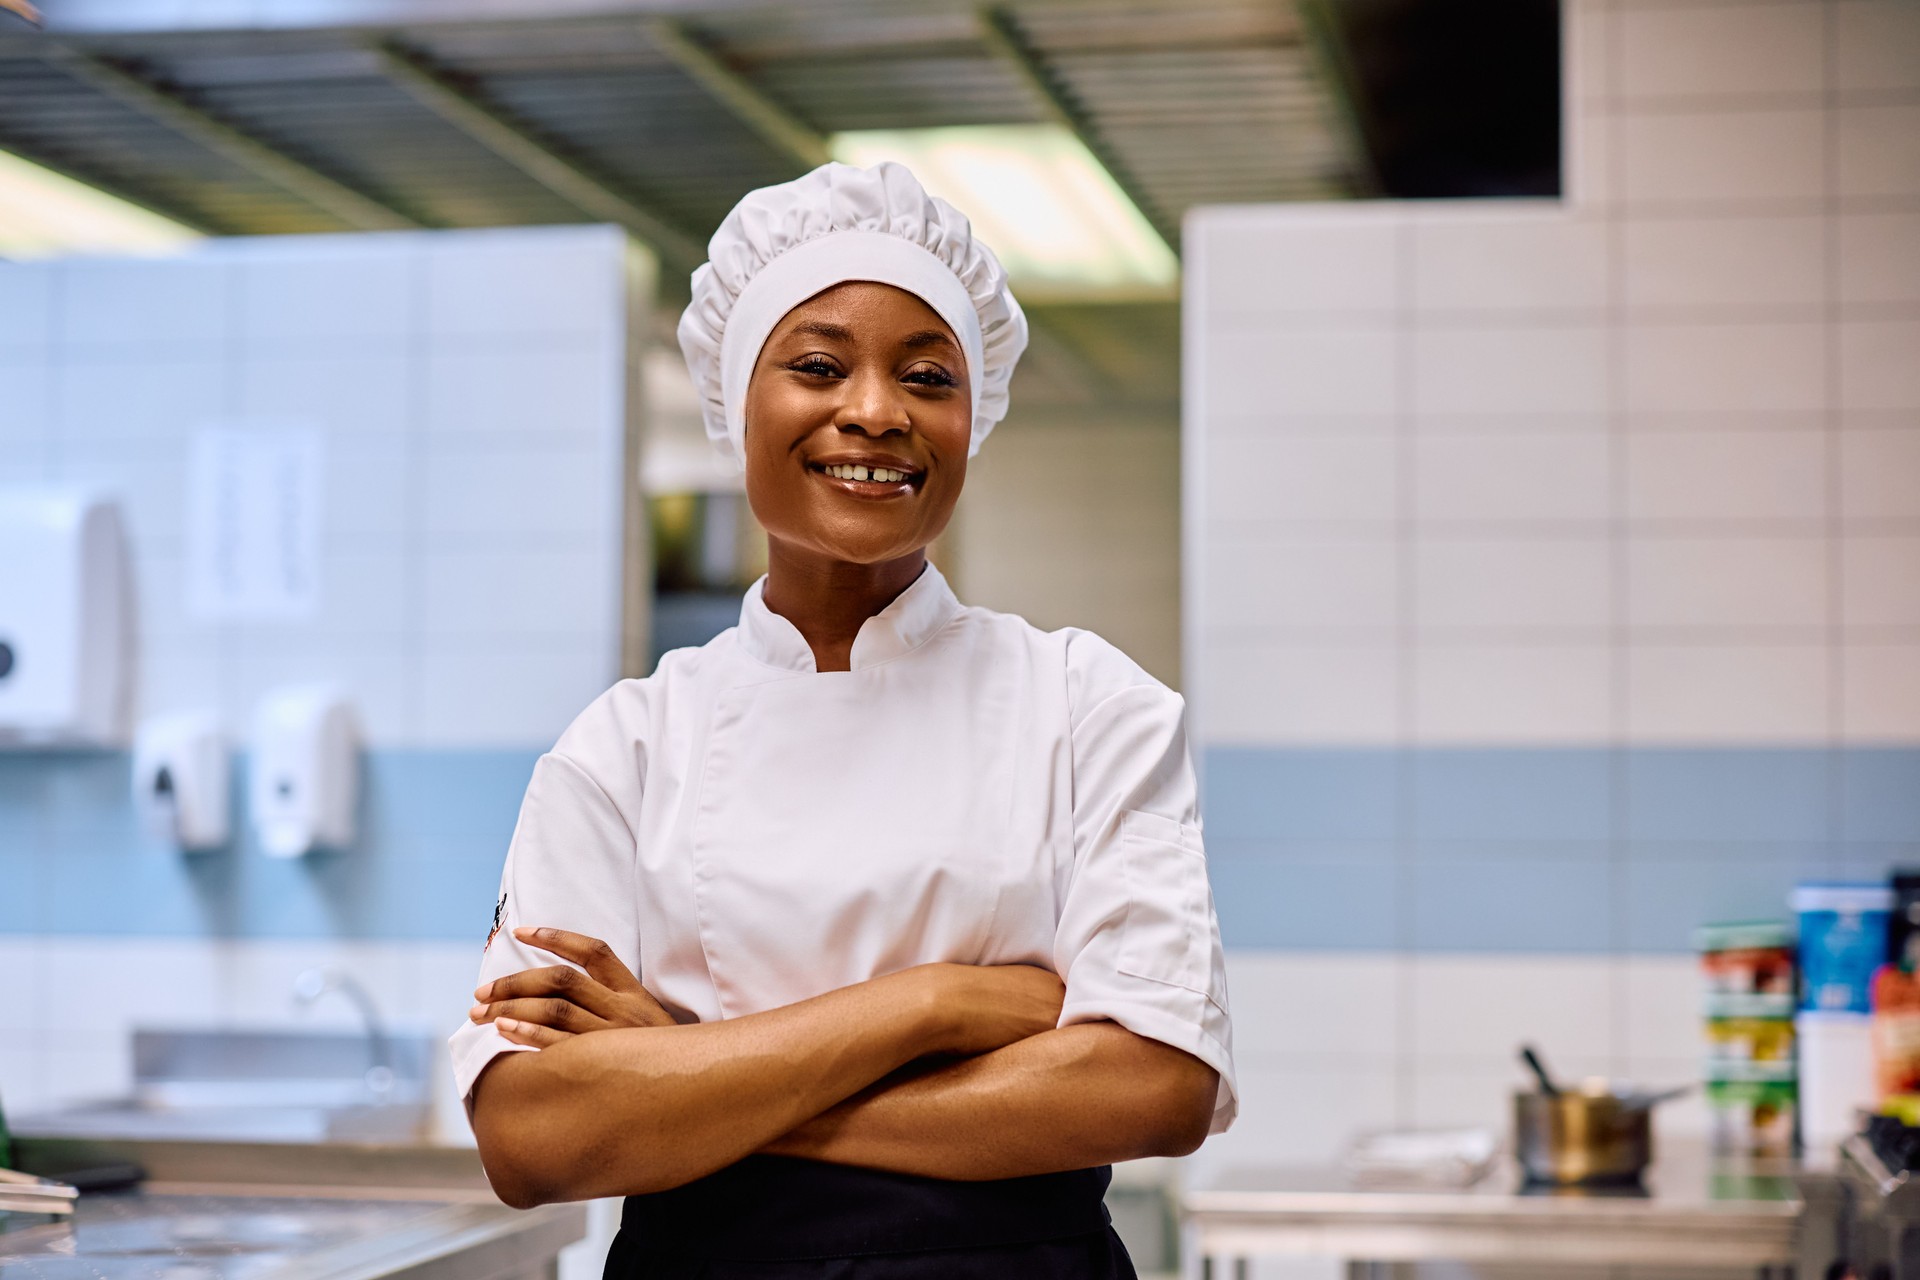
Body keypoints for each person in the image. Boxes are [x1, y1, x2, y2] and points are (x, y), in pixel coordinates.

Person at [449, 160, 1237, 1279]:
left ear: (972, 418)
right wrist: (935, 1004)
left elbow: (1156, 1084)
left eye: (928, 375)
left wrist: (688, 1073)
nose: (876, 410)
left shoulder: (1089, 704)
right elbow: (534, 1135)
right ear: (736, 400)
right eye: (819, 364)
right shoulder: (622, 748)